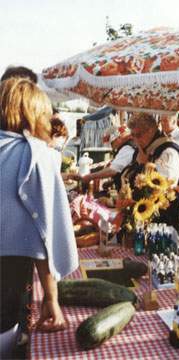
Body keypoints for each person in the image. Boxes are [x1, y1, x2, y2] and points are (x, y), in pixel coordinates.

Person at [0, 78, 78, 358]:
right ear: (32, 113)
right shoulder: (35, 155)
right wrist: (51, 297)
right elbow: (44, 234)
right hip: (7, 279)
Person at [121, 112, 179, 233]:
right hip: (161, 214)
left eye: (138, 135)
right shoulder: (144, 149)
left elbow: (160, 190)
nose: (135, 140)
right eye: (132, 135)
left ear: (150, 131)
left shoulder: (169, 152)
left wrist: (143, 165)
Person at [80, 125, 136, 191]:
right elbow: (123, 170)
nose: (112, 147)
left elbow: (113, 170)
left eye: (112, 143)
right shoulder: (126, 146)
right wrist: (112, 182)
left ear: (118, 138)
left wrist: (90, 176)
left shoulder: (127, 148)